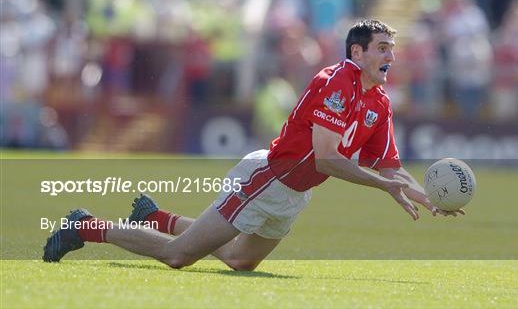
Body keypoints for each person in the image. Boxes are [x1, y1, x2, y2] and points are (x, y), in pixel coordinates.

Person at [43, 19, 463, 271]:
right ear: (358, 52)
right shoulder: (338, 80)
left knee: (238, 260)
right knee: (178, 258)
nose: (392, 55)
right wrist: (382, 186)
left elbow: (391, 167)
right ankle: (83, 226)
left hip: (295, 194)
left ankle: (159, 217)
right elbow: (328, 157)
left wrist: (429, 200)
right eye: (383, 48)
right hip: (268, 178)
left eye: (393, 48)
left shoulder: (379, 102)